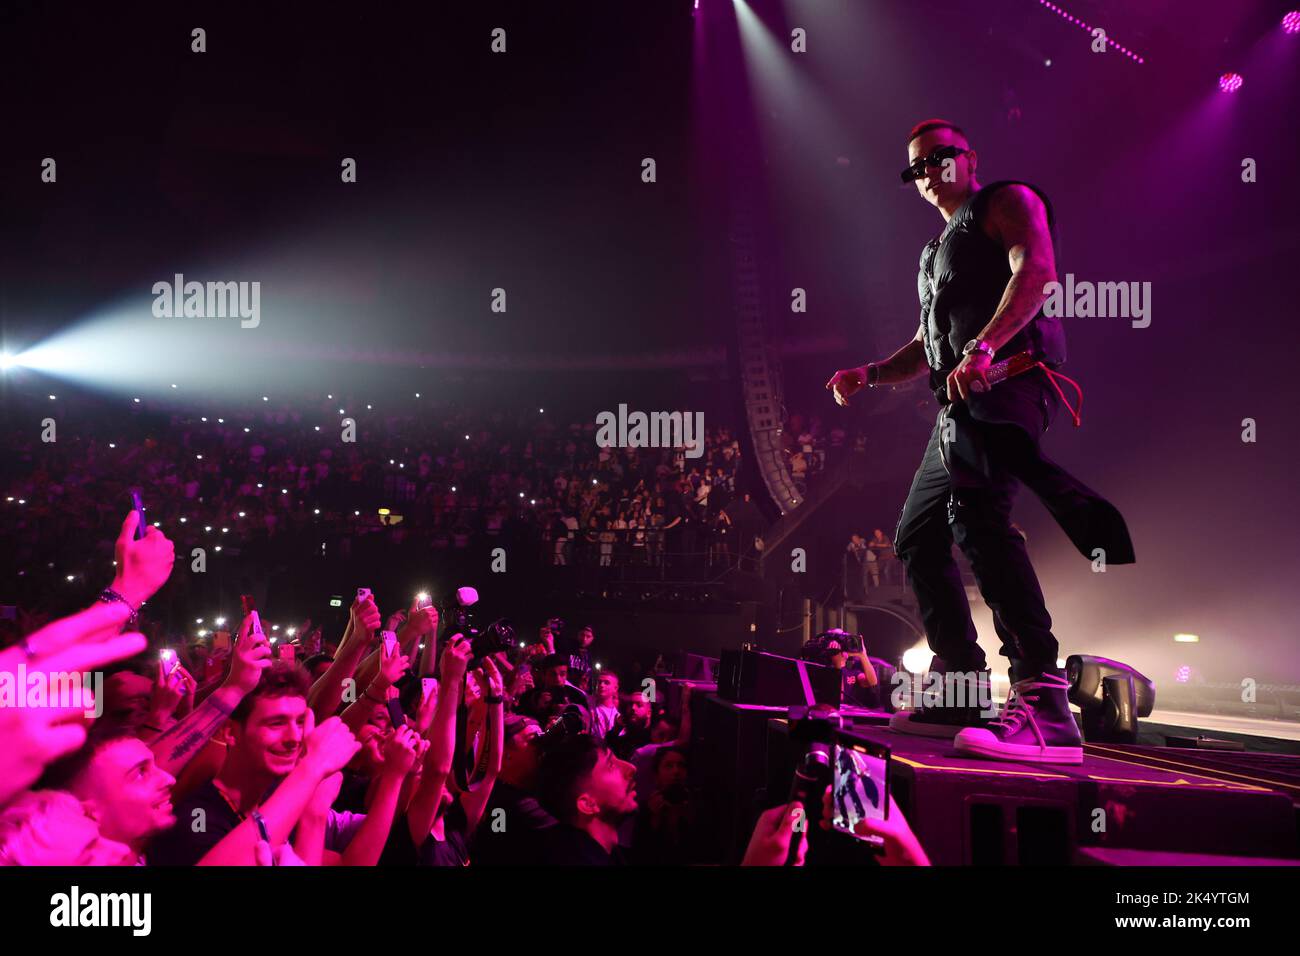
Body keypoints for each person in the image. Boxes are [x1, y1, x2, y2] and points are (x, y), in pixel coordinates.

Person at [825, 118, 1134, 764]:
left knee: (979, 522)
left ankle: (1043, 697)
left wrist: (985, 347)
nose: (929, 172)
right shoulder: (934, 252)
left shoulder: (1006, 201)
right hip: (959, 407)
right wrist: (871, 373)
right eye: (916, 166)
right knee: (917, 536)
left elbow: (1037, 273)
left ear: (970, 159)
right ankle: (961, 690)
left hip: (1008, 384)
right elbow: (927, 343)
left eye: (940, 157)